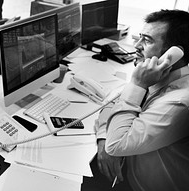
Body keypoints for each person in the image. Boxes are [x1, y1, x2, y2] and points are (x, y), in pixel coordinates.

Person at [81, 9, 189, 191]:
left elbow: (116, 145)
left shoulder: (179, 102)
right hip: (126, 169)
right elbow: (112, 102)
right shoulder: (157, 77)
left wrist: (137, 84)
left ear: (174, 54)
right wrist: (102, 138)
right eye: (140, 37)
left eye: (147, 40)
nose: (137, 45)